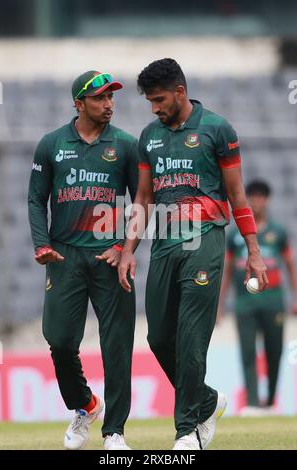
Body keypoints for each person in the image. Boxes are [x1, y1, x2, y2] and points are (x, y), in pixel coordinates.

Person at [118, 58, 268, 450]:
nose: (154, 108)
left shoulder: (218, 130)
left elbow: (236, 196)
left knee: (190, 339)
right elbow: (144, 197)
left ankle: (187, 431)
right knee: (159, 338)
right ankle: (206, 400)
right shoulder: (149, 137)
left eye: (159, 99)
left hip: (205, 239)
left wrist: (253, 251)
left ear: (180, 92)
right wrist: (128, 248)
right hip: (165, 244)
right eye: (150, 101)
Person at [28, 70, 138, 450]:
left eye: (111, 98)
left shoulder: (126, 145)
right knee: (59, 340)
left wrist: (125, 247)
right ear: (78, 103)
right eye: (99, 98)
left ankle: (115, 432)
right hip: (64, 255)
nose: (108, 105)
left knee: (117, 346)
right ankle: (85, 406)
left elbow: (144, 203)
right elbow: (34, 198)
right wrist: (41, 243)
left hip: (110, 258)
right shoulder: (51, 144)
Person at [218, 180, 297, 416]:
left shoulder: (278, 233)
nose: (257, 201)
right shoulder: (235, 236)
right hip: (244, 303)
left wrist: (295, 298)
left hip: (274, 301)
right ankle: (252, 402)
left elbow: (290, 266)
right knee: (247, 351)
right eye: (252, 196)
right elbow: (227, 270)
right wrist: (219, 305)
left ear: (267, 200)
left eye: (261, 196)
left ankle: (271, 401)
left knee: (275, 351)